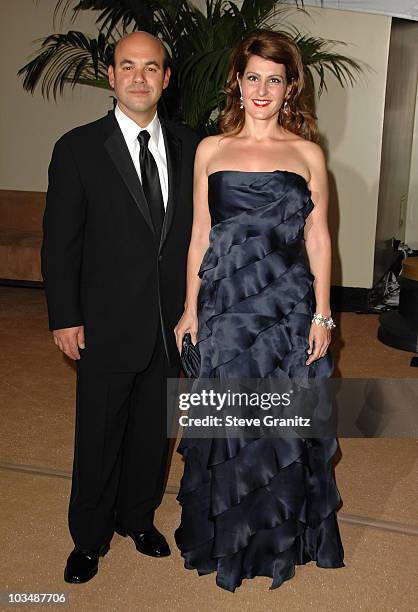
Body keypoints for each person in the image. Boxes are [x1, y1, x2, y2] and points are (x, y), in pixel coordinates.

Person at [174, 30, 345, 592]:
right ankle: (228, 539)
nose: (263, 89)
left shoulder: (307, 153)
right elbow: (200, 235)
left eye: (275, 79)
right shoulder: (211, 150)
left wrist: (323, 313)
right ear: (239, 84)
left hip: (289, 306)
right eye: (253, 77)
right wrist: (188, 310)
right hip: (225, 306)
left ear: (290, 87)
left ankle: (278, 542)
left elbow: (319, 237)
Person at [42, 31, 200, 583]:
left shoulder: (190, 144)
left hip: (173, 322)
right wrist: (64, 315)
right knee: (100, 434)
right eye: (128, 66)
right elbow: (60, 242)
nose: (139, 77)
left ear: (165, 77)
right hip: (105, 322)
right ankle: (88, 538)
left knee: (153, 432)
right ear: (111, 76)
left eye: (151, 67)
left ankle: (137, 519)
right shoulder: (78, 148)